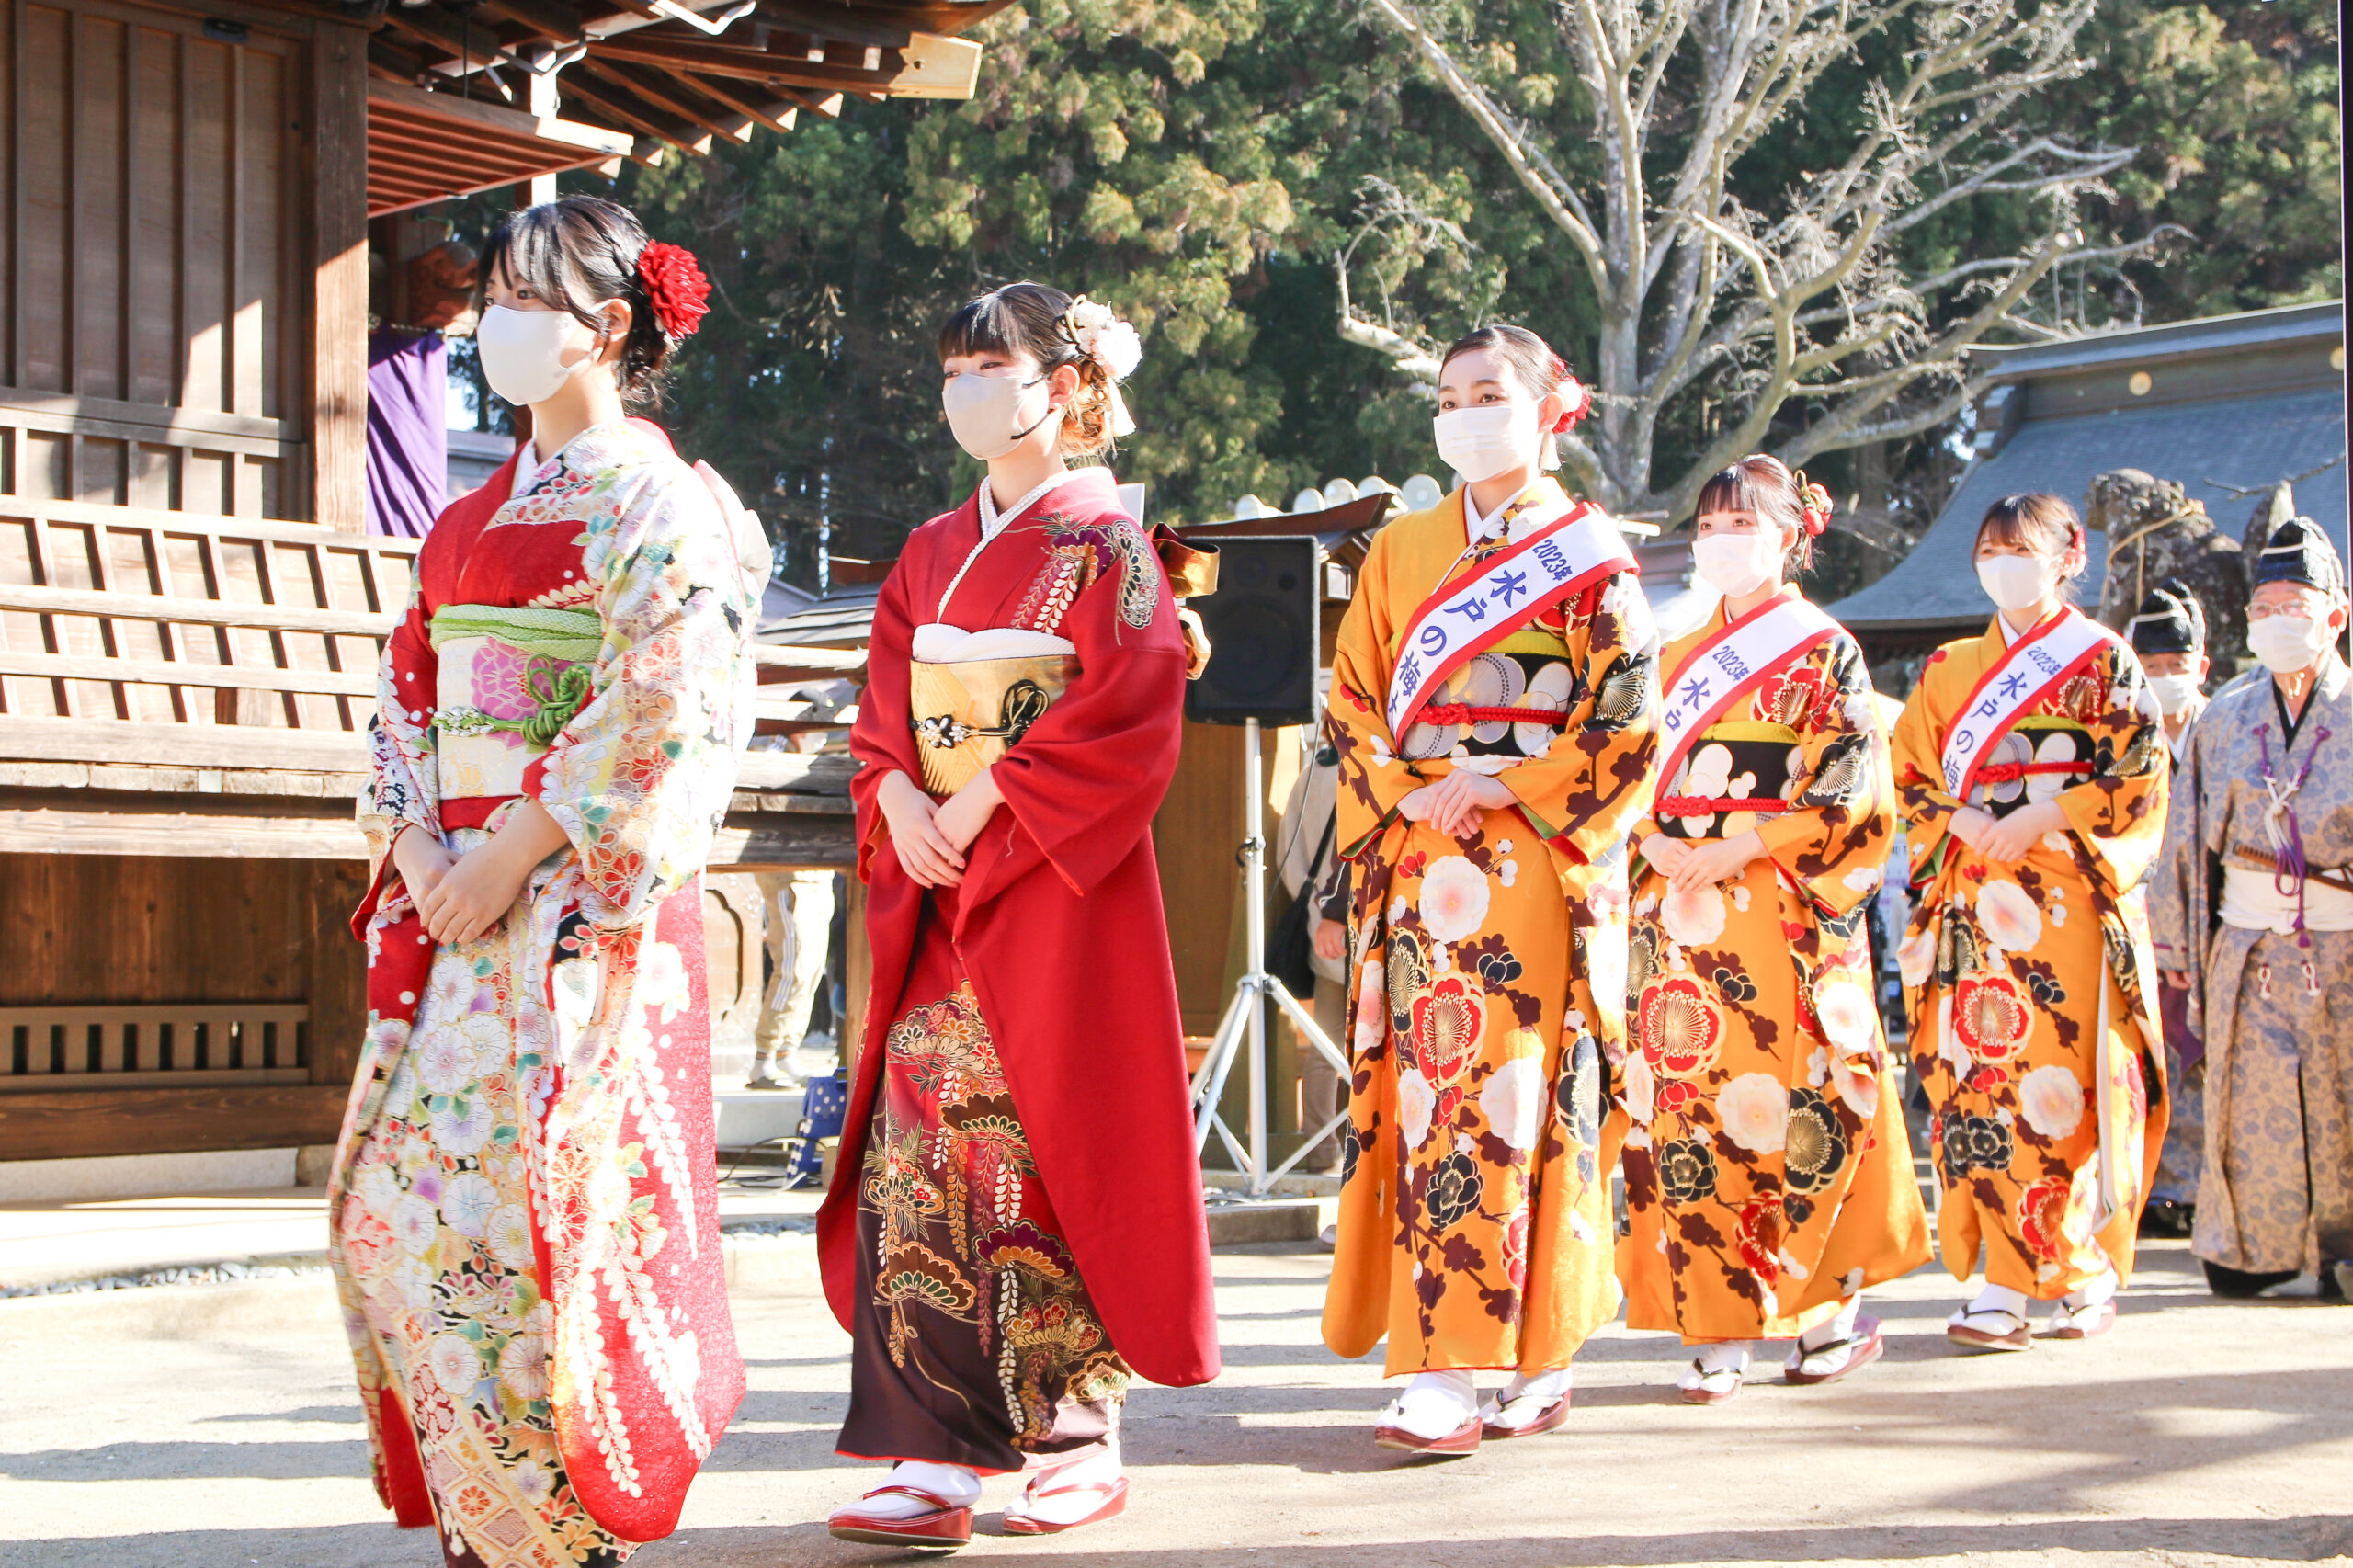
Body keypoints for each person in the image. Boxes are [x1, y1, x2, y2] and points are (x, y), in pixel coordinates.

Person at [328, 197, 770, 1567]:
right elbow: (409, 694)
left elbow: (670, 697)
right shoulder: (468, 516)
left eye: (527, 297)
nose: (492, 323)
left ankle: (550, 1534)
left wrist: (515, 847)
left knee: (531, 1228)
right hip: (459, 902)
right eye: (493, 296)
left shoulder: (657, 496)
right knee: (399, 1214)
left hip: (573, 915)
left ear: (611, 326)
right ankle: (490, 1520)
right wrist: (420, 850)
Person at [816, 284, 1218, 1549]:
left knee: (1051, 1142)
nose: (970, 386)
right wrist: (894, 789)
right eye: (954, 365)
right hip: (938, 877)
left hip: (1053, 878)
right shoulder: (933, 548)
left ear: (1069, 381)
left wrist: (991, 785)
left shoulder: (1111, 547)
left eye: (995, 361)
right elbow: (883, 703)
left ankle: (1074, 1434)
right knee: (919, 1147)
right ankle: (928, 1445)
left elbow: (1135, 704)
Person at [1323, 323, 1659, 1451]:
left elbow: (1624, 721)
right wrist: (1414, 786)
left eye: (1487, 392)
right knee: (1431, 1098)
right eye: (1447, 394)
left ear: (1542, 407)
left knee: (1525, 1097)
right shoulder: (1399, 549)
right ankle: (1447, 1362)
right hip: (1425, 862)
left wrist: (1503, 776)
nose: (1464, 411)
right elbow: (1353, 700)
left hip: (1533, 869)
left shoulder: (1589, 550)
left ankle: (1537, 1345)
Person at [1620, 457, 1931, 1403]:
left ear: (1790, 532)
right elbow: (1629, 772)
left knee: (1811, 1101)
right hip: (1682, 915)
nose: (1722, 537)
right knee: (1693, 1106)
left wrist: (1744, 842)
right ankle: (1716, 1327)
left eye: (1741, 521)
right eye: (1709, 523)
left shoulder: (1824, 647)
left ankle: (1825, 1315)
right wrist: (1651, 836)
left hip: (1783, 912)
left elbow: (1847, 784)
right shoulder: (1670, 656)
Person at [1890, 493, 2170, 1352]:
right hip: (1977, 901)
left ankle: (2077, 1264)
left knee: (2067, 1089)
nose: (2003, 562)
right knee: (1984, 1086)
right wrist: (1969, 822)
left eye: (2021, 547)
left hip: (2068, 902)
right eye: (1990, 548)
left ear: (2068, 556)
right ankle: (2007, 1283)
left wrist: (2045, 818)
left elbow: (2138, 777)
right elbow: (1910, 774)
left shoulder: (2104, 661)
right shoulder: (1947, 668)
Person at [2150, 517, 2353, 1301]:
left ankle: (2342, 1243)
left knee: (2340, 1098)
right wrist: (2176, 953)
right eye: (2263, 606)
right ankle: (2250, 1247)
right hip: (2249, 945)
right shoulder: (2225, 719)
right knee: (2252, 1098)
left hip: (2342, 940)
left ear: (2334, 614)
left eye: (2293, 603)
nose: (2276, 619)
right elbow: (2187, 840)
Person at [2130, 580, 2212, 1236]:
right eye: (2151, 668)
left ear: (2202, 667)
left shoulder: (2230, 730)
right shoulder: (2125, 741)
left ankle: (2210, 1186)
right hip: (2146, 919)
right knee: (2157, 1059)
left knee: (2216, 1059)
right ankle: (2161, 1187)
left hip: (2218, 920)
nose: (2165, 679)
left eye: (2176, 668)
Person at [1277, 717, 1351, 1175]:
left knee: (1324, 1045)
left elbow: (1290, 852)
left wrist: (1314, 914)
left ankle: (1321, 1151)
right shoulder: (1369, 770)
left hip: (1320, 923)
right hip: (1358, 920)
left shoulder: (1312, 772)